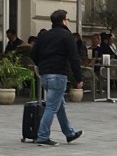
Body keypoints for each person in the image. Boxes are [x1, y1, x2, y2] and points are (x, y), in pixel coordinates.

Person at [30, 8, 84, 146]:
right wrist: (78, 78)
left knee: (59, 105)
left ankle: (69, 133)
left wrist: (42, 65)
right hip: (58, 74)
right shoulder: (67, 36)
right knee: (52, 107)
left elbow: (33, 54)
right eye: (67, 19)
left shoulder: (44, 36)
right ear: (63, 21)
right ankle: (42, 136)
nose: (68, 21)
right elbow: (74, 58)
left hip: (44, 75)